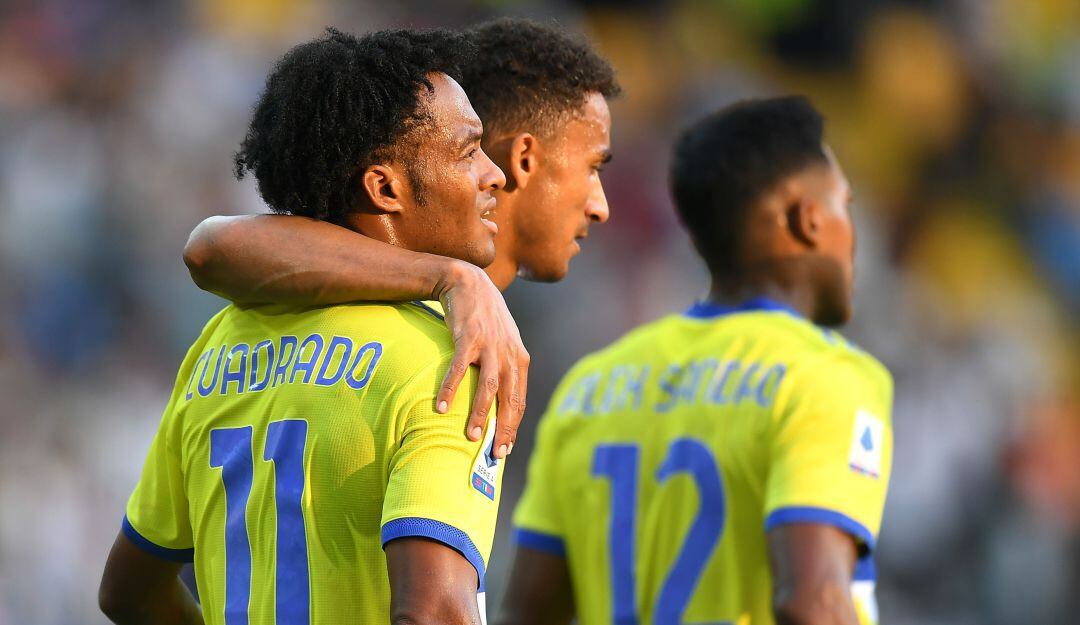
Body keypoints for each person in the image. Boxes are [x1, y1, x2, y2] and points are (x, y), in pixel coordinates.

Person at [99, 27, 510, 625]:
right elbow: (433, 613)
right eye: (468, 150)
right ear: (385, 188)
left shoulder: (217, 346)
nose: (493, 173)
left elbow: (127, 593)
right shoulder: (444, 354)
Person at [499, 97, 893, 625]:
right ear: (809, 219)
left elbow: (526, 615)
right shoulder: (826, 378)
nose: (853, 232)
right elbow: (813, 602)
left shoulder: (589, 386)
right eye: (844, 204)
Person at [183, 18, 621, 462]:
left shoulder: (226, 340)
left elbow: (214, 247)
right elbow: (208, 248)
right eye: (592, 168)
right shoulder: (445, 352)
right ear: (524, 157)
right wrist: (454, 277)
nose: (600, 206)